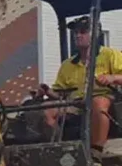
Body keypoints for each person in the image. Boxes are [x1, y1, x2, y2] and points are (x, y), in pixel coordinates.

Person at [40, 16, 122, 151]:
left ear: (96, 33)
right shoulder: (68, 64)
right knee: (46, 110)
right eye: (76, 32)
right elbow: (60, 94)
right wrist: (47, 91)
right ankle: (62, 150)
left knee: (98, 103)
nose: (78, 35)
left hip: (107, 100)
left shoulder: (111, 55)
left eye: (83, 32)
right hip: (76, 104)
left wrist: (112, 78)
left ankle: (96, 153)